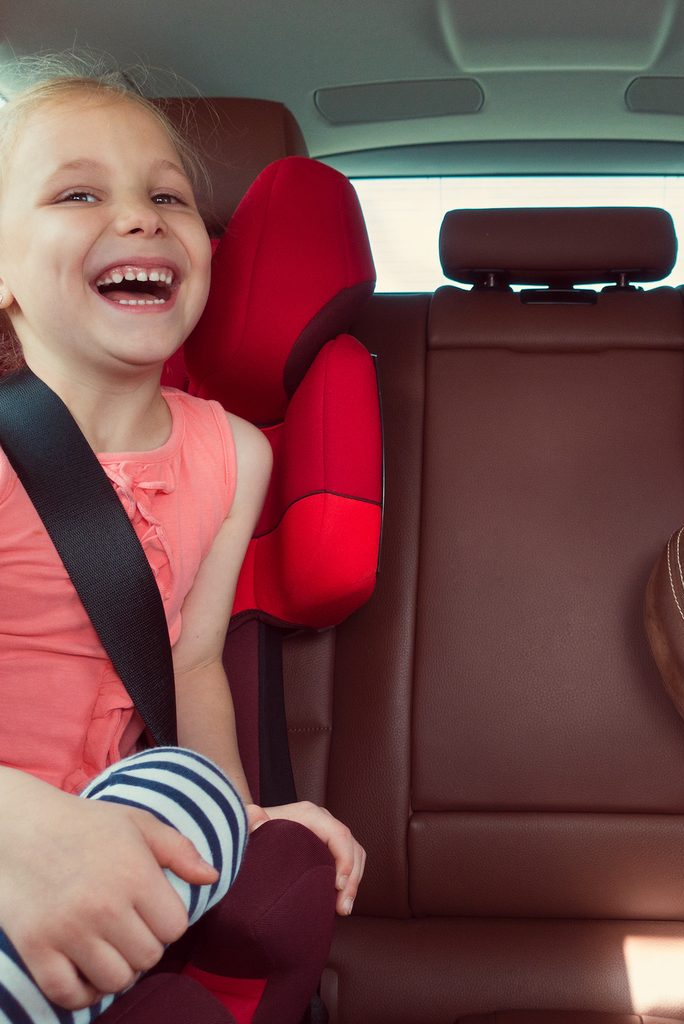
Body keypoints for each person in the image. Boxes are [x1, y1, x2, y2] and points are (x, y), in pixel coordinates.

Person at [0, 70, 365, 1022]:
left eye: (169, 196)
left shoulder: (232, 454)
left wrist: (245, 816)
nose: (141, 218)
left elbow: (191, 658)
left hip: (113, 825)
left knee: (191, 785)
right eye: (79, 194)